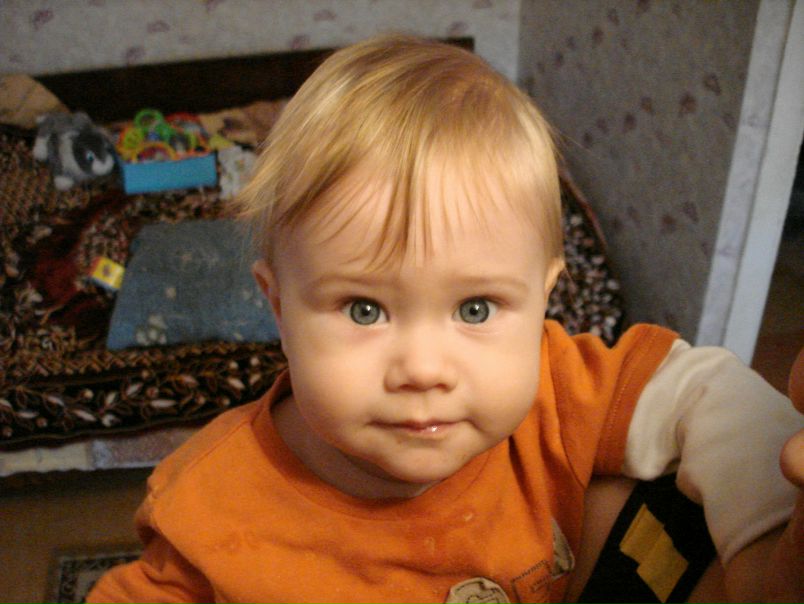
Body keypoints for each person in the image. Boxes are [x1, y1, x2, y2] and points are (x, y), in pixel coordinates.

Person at [87, 35, 803, 603]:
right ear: (277, 305)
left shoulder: (557, 387)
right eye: (365, 309)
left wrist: (763, 537)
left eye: (475, 308)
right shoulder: (210, 508)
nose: (424, 370)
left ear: (545, 296)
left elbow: (703, 390)